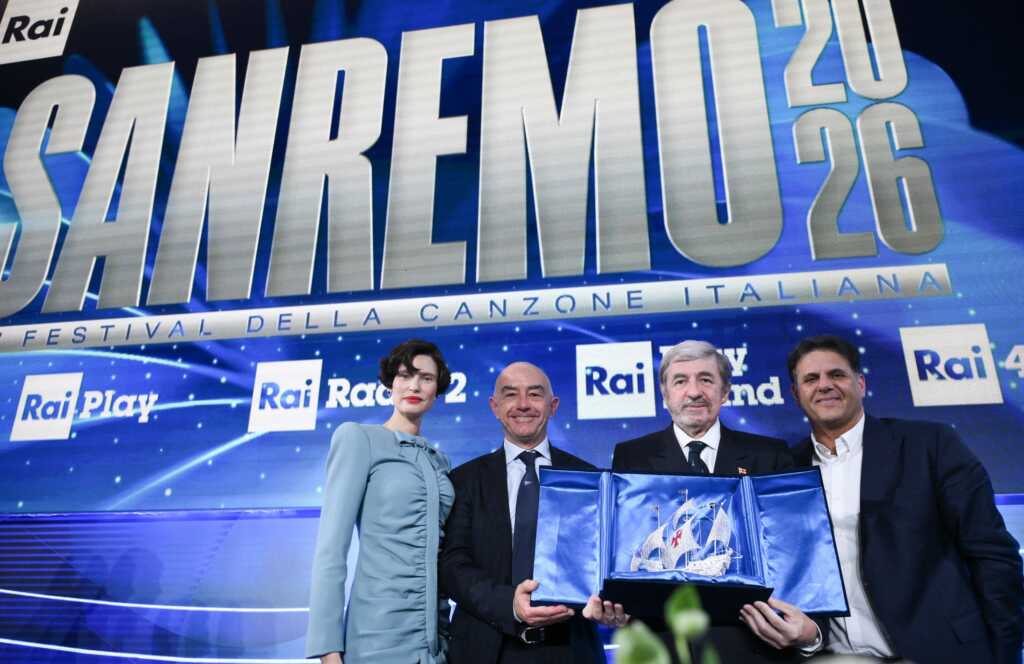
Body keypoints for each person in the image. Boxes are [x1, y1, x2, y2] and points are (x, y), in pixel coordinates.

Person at [740, 334, 1024, 664]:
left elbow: (992, 555)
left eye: (837, 374)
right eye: (811, 379)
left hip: (943, 653)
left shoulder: (928, 445)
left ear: (860, 384)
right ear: (796, 394)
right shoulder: (788, 470)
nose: (825, 385)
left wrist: (1006, 651)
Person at [612, 339, 798, 663]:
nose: (694, 392)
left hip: (753, 645)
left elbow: (790, 553)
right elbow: (629, 553)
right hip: (665, 644)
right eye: (680, 381)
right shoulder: (631, 457)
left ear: (725, 392)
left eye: (706, 380)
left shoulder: (770, 455)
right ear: (665, 395)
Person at [440, 361, 626, 664]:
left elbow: (606, 561)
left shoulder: (590, 478)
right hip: (486, 649)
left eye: (535, 394)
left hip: (570, 647)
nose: (523, 404)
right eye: (511, 395)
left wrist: (612, 603)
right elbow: (452, 565)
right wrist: (510, 604)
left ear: (553, 406)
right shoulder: (463, 480)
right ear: (495, 407)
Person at [306, 340, 455, 664]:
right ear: (390, 383)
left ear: (437, 389)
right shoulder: (358, 438)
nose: (414, 386)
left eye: (426, 378)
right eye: (404, 375)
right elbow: (331, 550)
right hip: (377, 638)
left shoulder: (439, 461)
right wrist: (328, 649)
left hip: (436, 642)